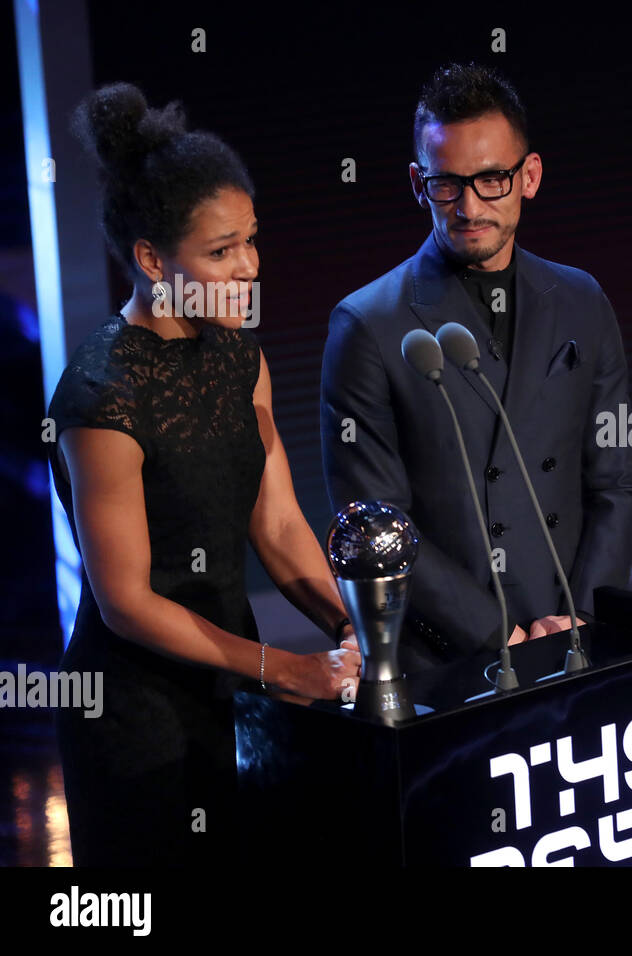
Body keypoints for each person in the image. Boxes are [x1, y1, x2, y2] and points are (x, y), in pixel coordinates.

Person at [47, 83, 361, 866]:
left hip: (234, 689)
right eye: (221, 251)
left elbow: (279, 523)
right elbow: (125, 604)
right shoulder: (101, 395)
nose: (250, 267)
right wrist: (282, 666)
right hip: (136, 720)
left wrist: (352, 626)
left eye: (251, 240)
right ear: (153, 259)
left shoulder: (237, 350)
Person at [321, 63, 632, 673]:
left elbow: (616, 483)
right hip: (448, 664)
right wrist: (499, 633)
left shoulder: (582, 300)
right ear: (419, 183)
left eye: (492, 179)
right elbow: (381, 529)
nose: (469, 206)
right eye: (447, 184)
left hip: (575, 641)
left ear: (530, 176)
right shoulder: (366, 325)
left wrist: (581, 617)